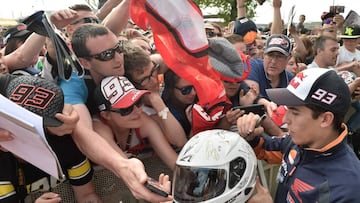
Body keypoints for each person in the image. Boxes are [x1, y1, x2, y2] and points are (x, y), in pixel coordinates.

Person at [65, 23, 173, 202]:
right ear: (84, 62)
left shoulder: (128, 65)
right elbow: (83, 133)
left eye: (118, 48)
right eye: (107, 55)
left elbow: (171, 59)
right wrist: (125, 167)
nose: (118, 58)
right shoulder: (74, 84)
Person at [237, 68, 360, 202]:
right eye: (287, 109)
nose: (285, 120)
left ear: (325, 119)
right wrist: (251, 137)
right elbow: (267, 148)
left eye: (295, 112)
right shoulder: (298, 141)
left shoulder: (348, 188)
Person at [0, 74, 101, 202]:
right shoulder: (3, 165)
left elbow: (87, 195)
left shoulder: (65, 143)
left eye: (44, 128)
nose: (41, 135)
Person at [92, 75, 178, 170]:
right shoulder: (99, 129)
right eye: (126, 109)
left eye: (138, 102)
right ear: (106, 115)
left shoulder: (142, 121)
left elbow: (173, 160)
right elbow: (128, 169)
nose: (138, 111)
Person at [162, 69, 197, 138]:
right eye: (186, 90)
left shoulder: (199, 97)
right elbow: (183, 145)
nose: (194, 93)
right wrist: (195, 125)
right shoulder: (167, 114)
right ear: (171, 89)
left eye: (196, 86)